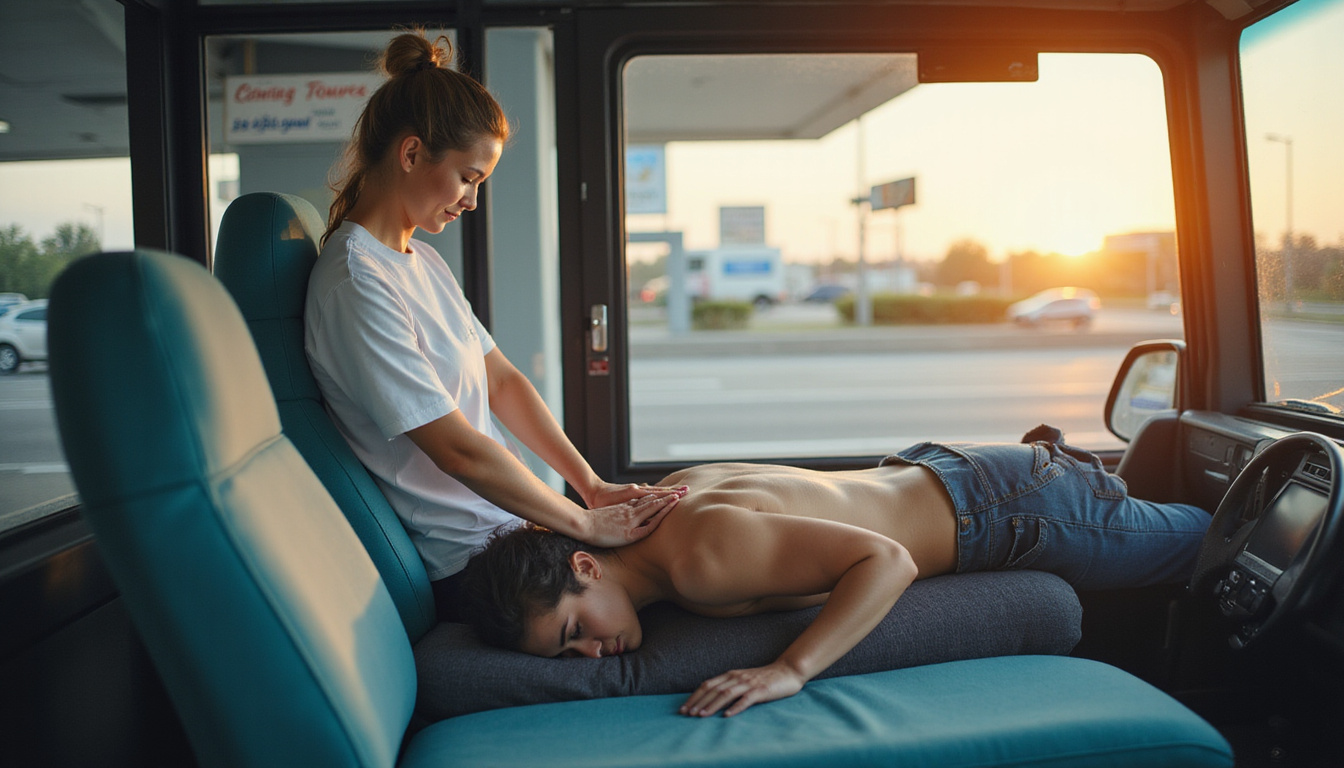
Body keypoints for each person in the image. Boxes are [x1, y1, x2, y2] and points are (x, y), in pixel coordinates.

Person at [304, 31, 684, 620]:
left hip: (510, 529)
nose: (472, 201)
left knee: (703, 509)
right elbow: (457, 451)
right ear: (411, 154)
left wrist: (590, 487)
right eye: (468, 177)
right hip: (473, 561)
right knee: (697, 562)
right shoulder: (355, 284)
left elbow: (502, 382)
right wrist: (584, 524)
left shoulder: (419, 261)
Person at [459, 429, 1212, 717]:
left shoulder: (697, 561)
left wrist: (790, 669)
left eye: (574, 631)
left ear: (585, 565)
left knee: (1217, 548)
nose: (591, 655)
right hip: (954, 475)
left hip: (1003, 510)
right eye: (569, 655)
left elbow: (887, 560)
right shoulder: (662, 510)